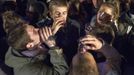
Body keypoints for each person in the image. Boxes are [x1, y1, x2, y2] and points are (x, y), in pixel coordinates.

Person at [2, 11, 68, 75]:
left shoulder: (19, 43)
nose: (38, 29)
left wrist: (51, 31)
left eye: (34, 28)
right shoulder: (31, 71)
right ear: (30, 45)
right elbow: (61, 72)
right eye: (34, 31)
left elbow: (36, 41)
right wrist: (53, 47)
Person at [48, 0, 80, 65]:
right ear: (51, 14)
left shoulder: (75, 25)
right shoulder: (45, 27)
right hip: (54, 63)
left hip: (71, 61)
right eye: (57, 13)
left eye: (64, 13)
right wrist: (52, 32)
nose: (61, 16)